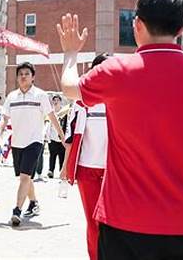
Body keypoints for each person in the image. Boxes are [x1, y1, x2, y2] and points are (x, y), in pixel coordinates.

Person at [58, 0, 183, 260]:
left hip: (123, 223)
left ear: (137, 24)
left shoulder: (116, 71)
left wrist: (70, 54)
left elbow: (69, 87)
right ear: (182, 28)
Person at [0, 62, 65, 226]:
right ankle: (34, 203)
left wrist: (62, 137)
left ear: (33, 77)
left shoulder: (40, 95)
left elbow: (52, 116)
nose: (23, 76)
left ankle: (16, 211)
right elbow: (4, 118)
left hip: (34, 142)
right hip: (17, 143)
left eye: (27, 73)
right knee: (24, 179)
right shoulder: (11, 97)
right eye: (20, 74)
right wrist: (0, 135)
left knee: (24, 177)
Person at [59, 53, 109, 260]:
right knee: (93, 221)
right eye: (101, 70)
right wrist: (64, 167)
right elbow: (71, 137)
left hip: (114, 170)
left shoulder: (120, 100)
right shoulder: (80, 103)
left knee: (112, 221)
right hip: (86, 170)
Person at [46, 95, 67, 178]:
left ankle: (61, 172)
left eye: (57, 100)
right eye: (54, 100)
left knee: (62, 156)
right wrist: (47, 137)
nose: (56, 102)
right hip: (52, 138)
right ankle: (51, 171)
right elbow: (48, 125)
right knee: (52, 155)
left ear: (60, 101)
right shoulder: (50, 112)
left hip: (62, 139)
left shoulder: (64, 112)